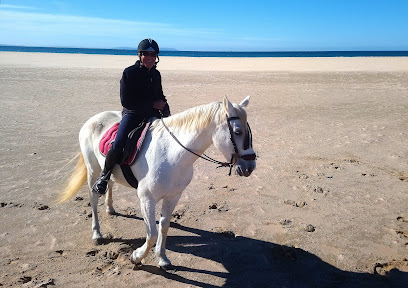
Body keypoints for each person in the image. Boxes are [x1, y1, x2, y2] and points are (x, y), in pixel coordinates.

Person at [92, 38, 170, 195]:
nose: (150, 58)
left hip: (152, 116)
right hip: (132, 114)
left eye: (153, 55)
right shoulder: (129, 73)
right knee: (119, 141)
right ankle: (104, 177)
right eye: (146, 54)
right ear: (140, 55)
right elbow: (126, 101)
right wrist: (152, 105)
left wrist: (166, 112)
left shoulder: (156, 74)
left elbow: (159, 95)